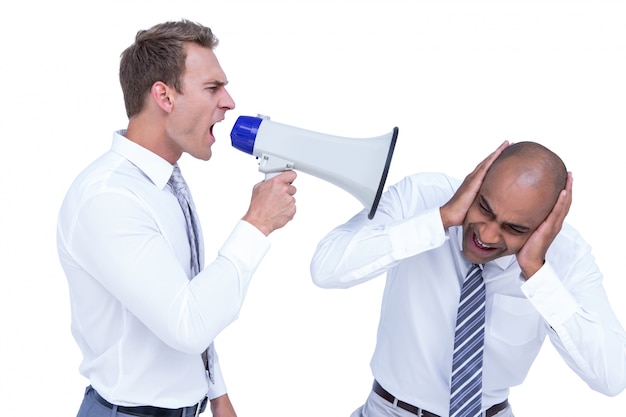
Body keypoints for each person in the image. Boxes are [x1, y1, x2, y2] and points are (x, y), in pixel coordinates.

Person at [57, 19, 297, 417]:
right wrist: (257, 224)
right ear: (164, 96)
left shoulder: (164, 182)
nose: (230, 102)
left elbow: (187, 292)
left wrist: (216, 392)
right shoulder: (109, 199)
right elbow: (187, 324)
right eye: (212, 88)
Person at [310, 141, 626, 417]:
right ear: (476, 179)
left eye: (514, 228)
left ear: (546, 224)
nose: (487, 234)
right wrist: (440, 219)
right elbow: (325, 268)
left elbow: (613, 377)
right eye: (484, 208)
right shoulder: (422, 197)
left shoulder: (567, 255)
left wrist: (537, 272)